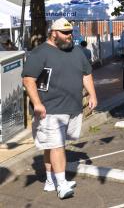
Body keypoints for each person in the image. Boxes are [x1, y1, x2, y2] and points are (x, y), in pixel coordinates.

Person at [22, 18, 97, 199]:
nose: (69, 36)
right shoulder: (40, 53)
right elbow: (28, 79)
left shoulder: (76, 50)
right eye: (64, 33)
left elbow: (86, 74)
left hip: (72, 108)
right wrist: (37, 104)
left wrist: (92, 95)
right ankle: (61, 184)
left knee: (53, 146)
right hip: (50, 110)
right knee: (57, 146)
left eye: (70, 32)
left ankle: (50, 181)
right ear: (53, 33)